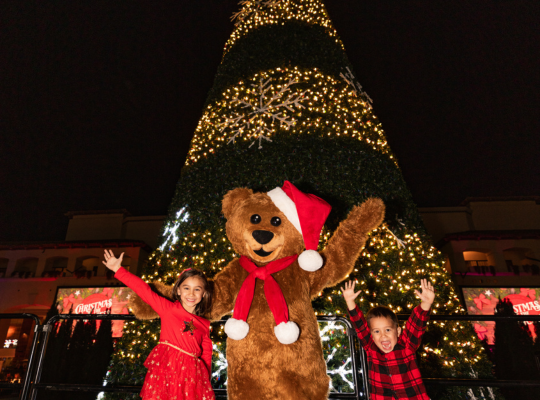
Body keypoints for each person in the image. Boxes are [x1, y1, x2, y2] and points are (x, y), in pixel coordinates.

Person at [102, 249, 215, 400]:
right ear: (179, 291)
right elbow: (144, 290)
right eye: (186, 288)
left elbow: (206, 356)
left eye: (197, 289)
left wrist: (205, 382)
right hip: (166, 373)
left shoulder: (204, 324)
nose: (191, 293)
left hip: (191, 379)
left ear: (203, 294)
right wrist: (118, 269)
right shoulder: (167, 308)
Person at [341, 278, 435, 400]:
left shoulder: (407, 346)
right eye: (377, 331)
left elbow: (416, 325)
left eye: (388, 330)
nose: (383, 335)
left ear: (398, 332)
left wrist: (426, 304)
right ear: (372, 335)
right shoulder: (371, 347)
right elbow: (360, 325)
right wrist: (350, 302)